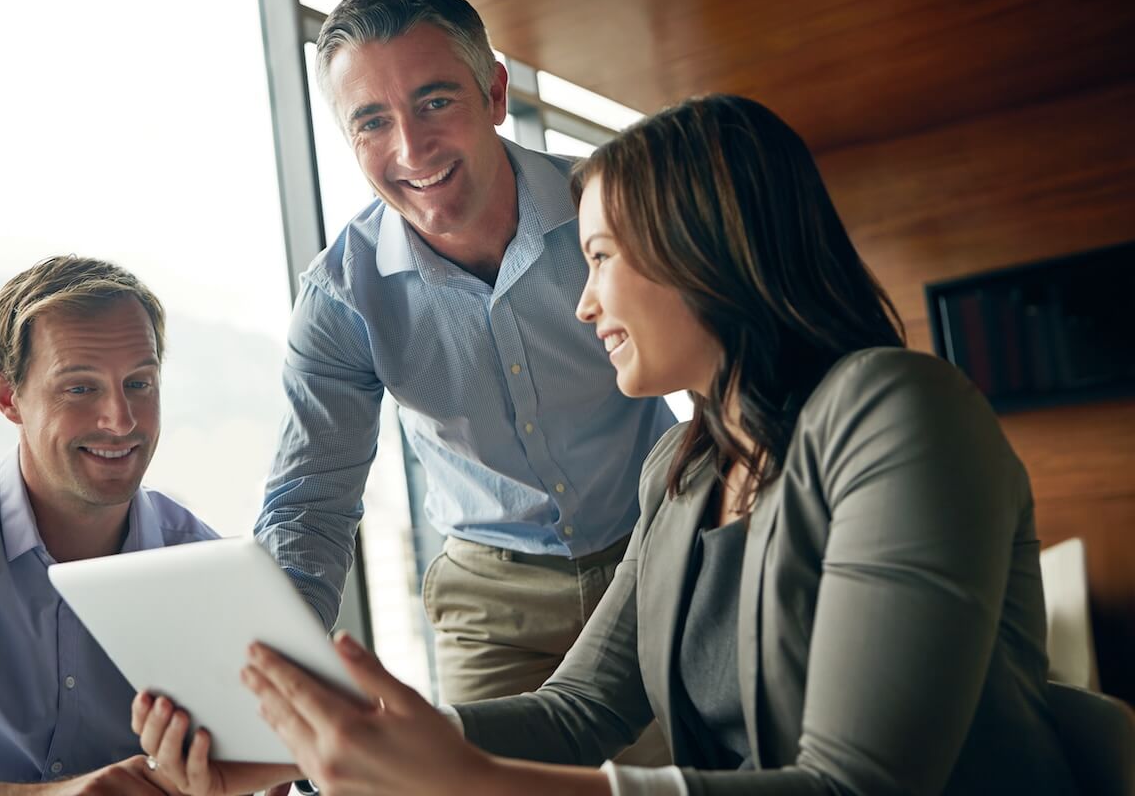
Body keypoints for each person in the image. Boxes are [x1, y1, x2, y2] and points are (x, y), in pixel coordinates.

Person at [140, 94, 1081, 794]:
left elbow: (855, 786)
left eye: (598, 258)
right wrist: (345, 736)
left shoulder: (900, 411)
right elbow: (579, 709)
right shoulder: (682, 475)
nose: (585, 302)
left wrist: (467, 781)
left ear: (702, 248)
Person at [254, 0, 676, 714]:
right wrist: (274, 681)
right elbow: (310, 503)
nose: (411, 150)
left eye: (435, 101)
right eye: (372, 122)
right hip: (491, 607)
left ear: (496, 93)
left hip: (660, 551)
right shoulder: (340, 297)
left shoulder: (620, 206)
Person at [0, 256, 256, 795]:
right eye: (80, 388)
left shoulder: (205, 570)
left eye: (139, 383)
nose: (122, 420)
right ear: (8, 396)